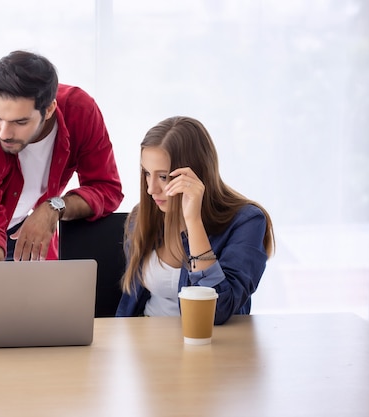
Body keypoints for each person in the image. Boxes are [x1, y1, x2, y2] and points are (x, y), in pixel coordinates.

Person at [0, 50, 123, 262]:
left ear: (49, 110)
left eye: (20, 122)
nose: (4, 133)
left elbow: (107, 188)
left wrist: (54, 207)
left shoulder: (80, 111)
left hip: (12, 228)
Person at [116, 116, 274, 325]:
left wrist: (193, 222)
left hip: (209, 346)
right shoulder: (143, 216)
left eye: (163, 177)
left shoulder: (247, 222)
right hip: (145, 343)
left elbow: (217, 312)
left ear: (195, 175)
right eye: (147, 173)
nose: (150, 189)